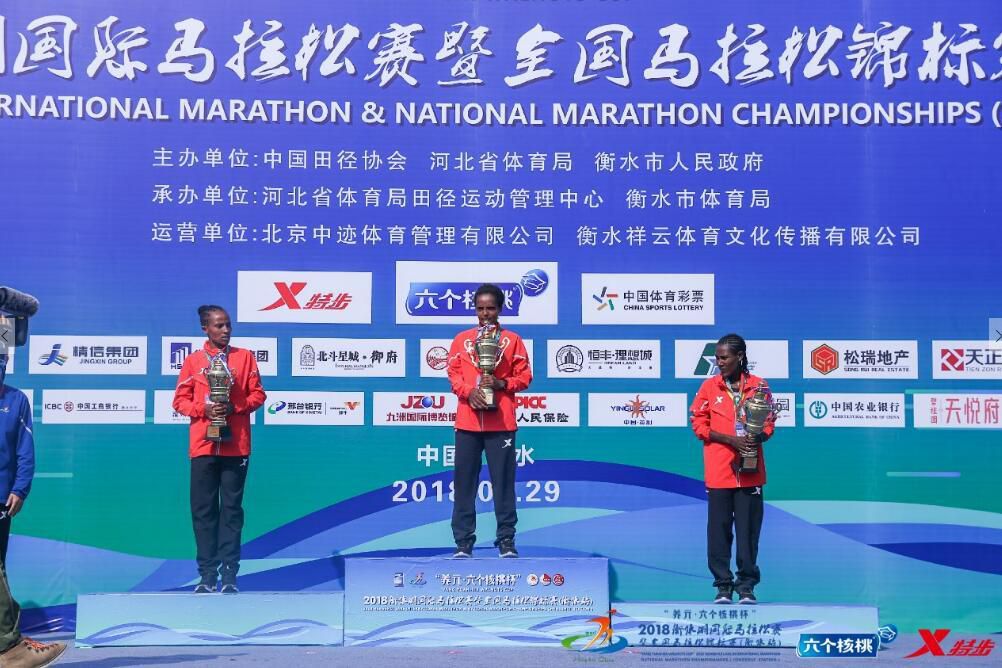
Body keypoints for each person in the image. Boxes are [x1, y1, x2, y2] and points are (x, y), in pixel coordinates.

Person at [173, 306, 266, 593]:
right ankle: (206, 575)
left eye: (228, 325)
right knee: (203, 512)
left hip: (236, 446)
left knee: (232, 511)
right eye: (219, 326)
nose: (225, 330)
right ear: (205, 329)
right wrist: (204, 409)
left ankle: (229, 575)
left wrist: (235, 407)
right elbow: (179, 401)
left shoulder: (244, 357)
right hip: (203, 446)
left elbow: (258, 394)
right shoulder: (193, 361)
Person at [447, 284, 532, 558]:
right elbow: (453, 375)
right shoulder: (461, 340)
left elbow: (525, 377)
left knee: (503, 483)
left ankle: (506, 539)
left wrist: (501, 383)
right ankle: (463, 542)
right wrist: (468, 392)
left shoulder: (512, 340)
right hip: (467, 423)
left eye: (491, 308)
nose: (485, 313)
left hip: (501, 423)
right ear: (475, 309)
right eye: (480, 308)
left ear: (500, 309)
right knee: (464, 484)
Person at [689, 334, 775, 605]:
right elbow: (698, 425)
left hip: (750, 471)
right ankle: (723, 587)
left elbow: (769, 423)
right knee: (719, 532)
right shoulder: (709, 387)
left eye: (724, 357)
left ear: (740, 356)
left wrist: (757, 436)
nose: (719, 362)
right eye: (717, 357)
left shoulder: (759, 385)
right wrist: (730, 439)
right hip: (719, 471)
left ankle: (746, 587)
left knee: (749, 534)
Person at [0, 353, 66, 666]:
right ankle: (10, 649)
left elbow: (25, 451)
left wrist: (19, 488)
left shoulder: (16, 400)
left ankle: (9, 646)